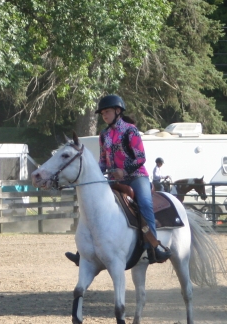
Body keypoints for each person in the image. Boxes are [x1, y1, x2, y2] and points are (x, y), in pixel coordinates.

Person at [65, 94, 171, 266]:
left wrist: (125, 170)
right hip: (114, 179)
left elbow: (140, 157)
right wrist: (94, 175)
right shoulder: (104, 134)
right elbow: (102, 160)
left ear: (117, 111)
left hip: (137, 177)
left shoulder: (130, 130)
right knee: (92, 203)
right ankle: (83, 251)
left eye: (106, 112)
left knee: (144, 203)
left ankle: (154, 246)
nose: (104, 115)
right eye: (102, 113)